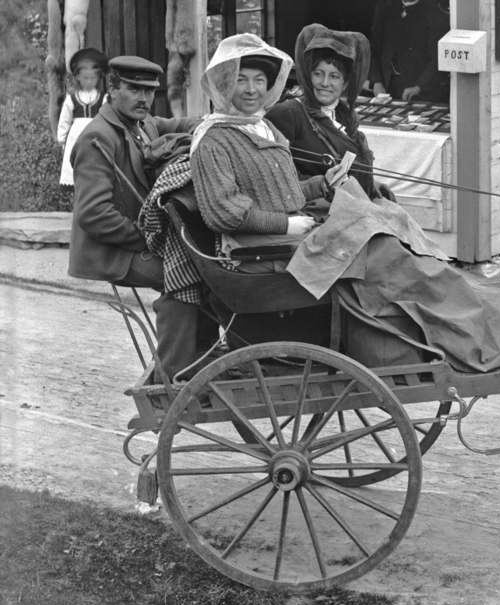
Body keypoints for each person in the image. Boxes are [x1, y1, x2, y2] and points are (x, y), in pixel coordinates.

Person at [68, 55, 206, 381]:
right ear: (112, 88)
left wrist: (216, 123)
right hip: (113, 250)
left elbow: (178, 124)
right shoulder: (98, 137)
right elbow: (93, 214)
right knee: (186, 276)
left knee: (209, 267)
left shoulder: (141, 124)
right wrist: (150, 237)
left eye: (149, 91)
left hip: (137, 238)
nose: (144, 99)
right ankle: (173, 377)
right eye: (134, 89)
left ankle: (201, 356)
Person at [190, 34, 351, 250]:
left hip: (286, 234)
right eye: (240, 79)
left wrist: (322, 184)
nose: (251, 89)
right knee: (354, 250)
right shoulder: (211, 140)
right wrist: (285, 225)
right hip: (249, 247)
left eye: (259, 80)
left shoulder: (265, 127)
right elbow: (223, 214)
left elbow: (279, 193)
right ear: (224, 85)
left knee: (371, 234)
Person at [266, 24, 394, 201]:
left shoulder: (346, 117)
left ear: (345, 83)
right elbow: (276, 177)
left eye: (334, 76)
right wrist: (322, 185)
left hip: (347, 201)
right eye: (318, 74)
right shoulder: (288, 113)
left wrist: (372, 185)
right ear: (309, 76)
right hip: (312, 208)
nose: (324, 83)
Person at [368, 0, 449, 104]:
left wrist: (420, 86)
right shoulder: (388, 13)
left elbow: (440, 57)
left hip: (420, 92)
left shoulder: (434, 15)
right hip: (388, 88)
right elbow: (373, 49)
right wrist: (376, 81)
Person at [57, 47, 108, 186]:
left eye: (93, 78)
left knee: (95, 167)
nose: (89, 82)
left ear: (98, 78)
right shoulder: (71, 99)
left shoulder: (103, 98)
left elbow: (107, 118)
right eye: (86, 78)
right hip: (76, 138)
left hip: (95, 136)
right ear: (78, 78)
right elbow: (64, 121)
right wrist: (62, 141)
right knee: (77, 165)